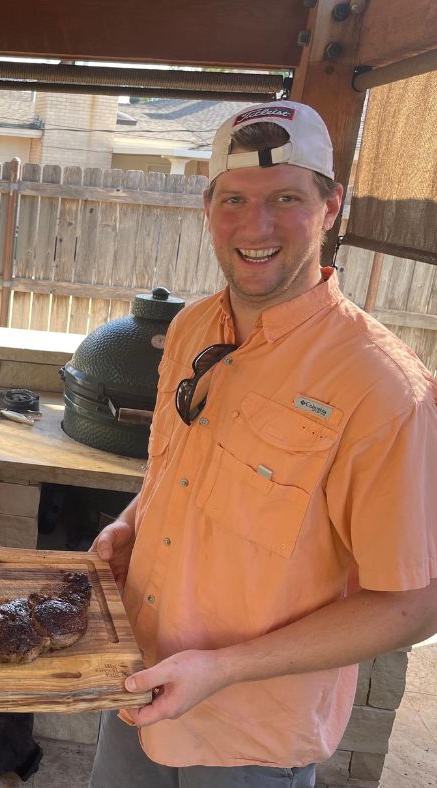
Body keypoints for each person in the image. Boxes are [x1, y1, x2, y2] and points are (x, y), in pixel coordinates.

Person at [89, 100, 437, 788]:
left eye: (287, 198)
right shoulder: (190, 329)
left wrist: (224, 669)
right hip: (136, 680)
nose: (258, 225)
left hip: (251, 733)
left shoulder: (383, 387)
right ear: (208, 206)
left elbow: (413, 602)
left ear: (330, 206)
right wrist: (131, 523)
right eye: (235, 200)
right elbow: (172, 472)